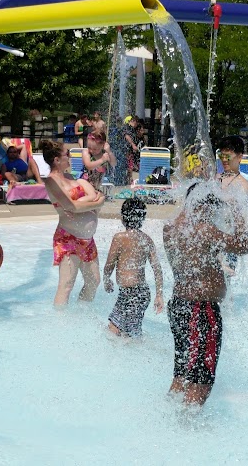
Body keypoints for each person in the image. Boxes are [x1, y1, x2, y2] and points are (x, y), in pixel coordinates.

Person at [163, 182, 248, 406]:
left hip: (179, 307)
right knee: (200, 383)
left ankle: (169, 420)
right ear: (204, 204)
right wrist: (238, 211)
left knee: (181, 375)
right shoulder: (205, 229)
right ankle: (189, 432)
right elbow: (243, 245)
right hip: (201, 311)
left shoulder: (171, 228)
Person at [43, 139, 105, 306]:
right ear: (57, 159)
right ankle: (60, 324)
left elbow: (89, 200)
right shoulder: (51, 182)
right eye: (67, 154)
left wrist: (92, 200)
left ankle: (81, 314)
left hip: (87, 240)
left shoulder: (70, 177)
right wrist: (96, 202)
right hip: (68, 238)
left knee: (94, 281)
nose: (69, 157)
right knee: (66, 285)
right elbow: (72, 206)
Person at [104, 198, 164, 337]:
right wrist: (159, 295)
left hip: (132, 293)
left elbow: (109, 264)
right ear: (142, 218)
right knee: (122, 331)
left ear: (123, 217)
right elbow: (157, 269)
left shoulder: (119, 238)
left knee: (121, 333)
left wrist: (106, 279)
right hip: (140, 293)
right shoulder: (146, 239)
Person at [216, 135, 248, 275]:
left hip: (229, 238)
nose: (224, 160)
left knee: (225, 279)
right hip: (212, 235)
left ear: (239, 157)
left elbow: (239, 218)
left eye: (228, 156)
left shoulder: (243, 185)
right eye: (221, 155)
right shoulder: (215, 179)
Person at [122, 115, 139, 184]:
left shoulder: (131, 128)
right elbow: (127, 136)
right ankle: (128, 179)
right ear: (134, 121)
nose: (137, 125)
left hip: (129, 150)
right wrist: (133, 145)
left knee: (130, 165)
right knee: (128, 165)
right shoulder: (128, 127)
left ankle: (129, 179)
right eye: (136, 123)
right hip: (126, 149)